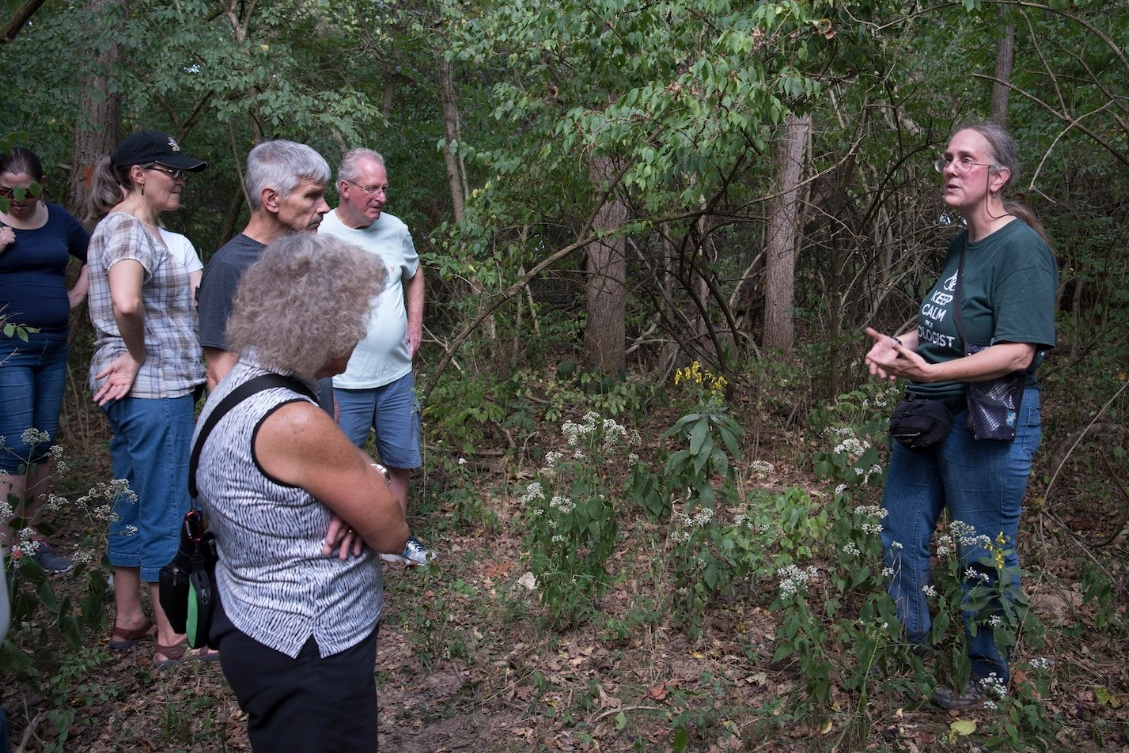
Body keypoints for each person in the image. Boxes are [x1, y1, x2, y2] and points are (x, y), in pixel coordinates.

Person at [865, 122, 1058, 709]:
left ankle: (989, 682)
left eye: (965, 160)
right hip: (932, 413)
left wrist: (929, 373)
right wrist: (898, 342)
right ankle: (908, 656)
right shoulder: (962, 244)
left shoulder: (1021, 249)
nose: (950, 168)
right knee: (900, 533)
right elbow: (944, 325)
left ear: (997, 177)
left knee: (983, 550)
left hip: (989, 421)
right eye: (946, 158)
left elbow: (1019, 350)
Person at [195, 233, 408, 750]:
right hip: (309, 644)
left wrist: (351, 486)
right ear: (321, 328)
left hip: (256, 619)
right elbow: (392, 529)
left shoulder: (243, 381)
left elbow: (343, 473)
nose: (358, 335)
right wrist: (363, 495)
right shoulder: (294, 422)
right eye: (355, 320)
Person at [85, 130, 210, 666]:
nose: (179, 178)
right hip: (153, 389)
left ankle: (129, 615)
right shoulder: (130, 230)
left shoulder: (128, 229)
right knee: (165, 504)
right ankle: (170, 634)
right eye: (170, 169)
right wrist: (136, 355)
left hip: (141, 391)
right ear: (138, 174)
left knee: (131, 497)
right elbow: (127, 304)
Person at [318, 149, 430, 566]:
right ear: (345, 189)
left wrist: (414, 320)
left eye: (384, 188)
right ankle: (339, 548)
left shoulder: (396, 230)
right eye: (372, 188)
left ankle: (394, 542)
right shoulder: (318, 230)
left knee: (400, 461)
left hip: (395, 375)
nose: (381, 197)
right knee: (338, 470)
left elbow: (415, 273)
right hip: (341, 381)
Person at [0, 147, 90, 574]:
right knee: (17, 444)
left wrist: (75, 296)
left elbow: (96, 253)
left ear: (43, 185)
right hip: (7, 348)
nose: (18, 199)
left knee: (41, 443)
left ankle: (30, 541)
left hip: (53, 346)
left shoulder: (58, 220)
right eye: (5, 191)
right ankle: (6, 549)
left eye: (28, 190)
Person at [196, 140, 334, 415]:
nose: (325, 207)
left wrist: (328, 411)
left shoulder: (306, 256)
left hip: (314, 418)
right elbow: (222, 375)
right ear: (271, 199)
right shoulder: (229, 267)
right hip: (269, 432)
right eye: (312, 196)